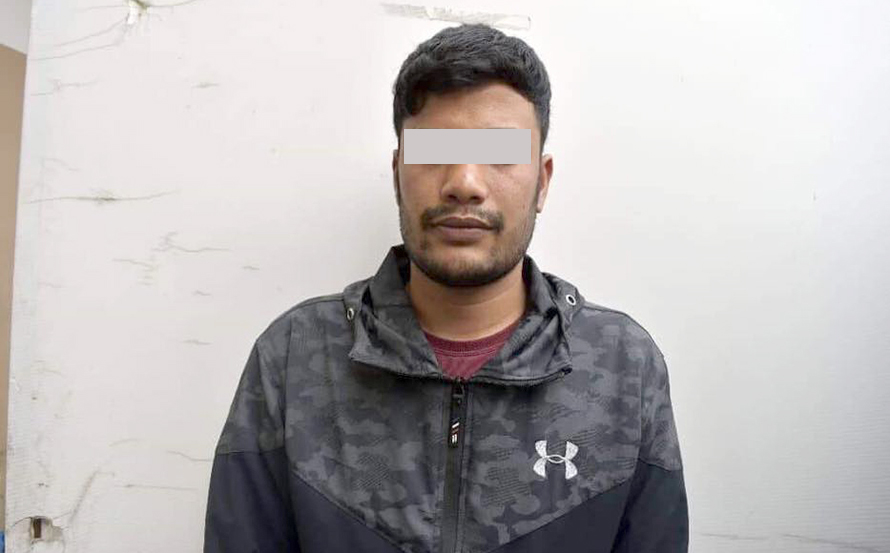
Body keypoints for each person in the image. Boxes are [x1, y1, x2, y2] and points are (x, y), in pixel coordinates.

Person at [203, 22, 688, 553]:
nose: (464, 183)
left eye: (500, 154)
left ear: (542, 181)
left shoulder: (622, 368)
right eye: (434, 151)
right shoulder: (296, 357)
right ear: (397, 173)